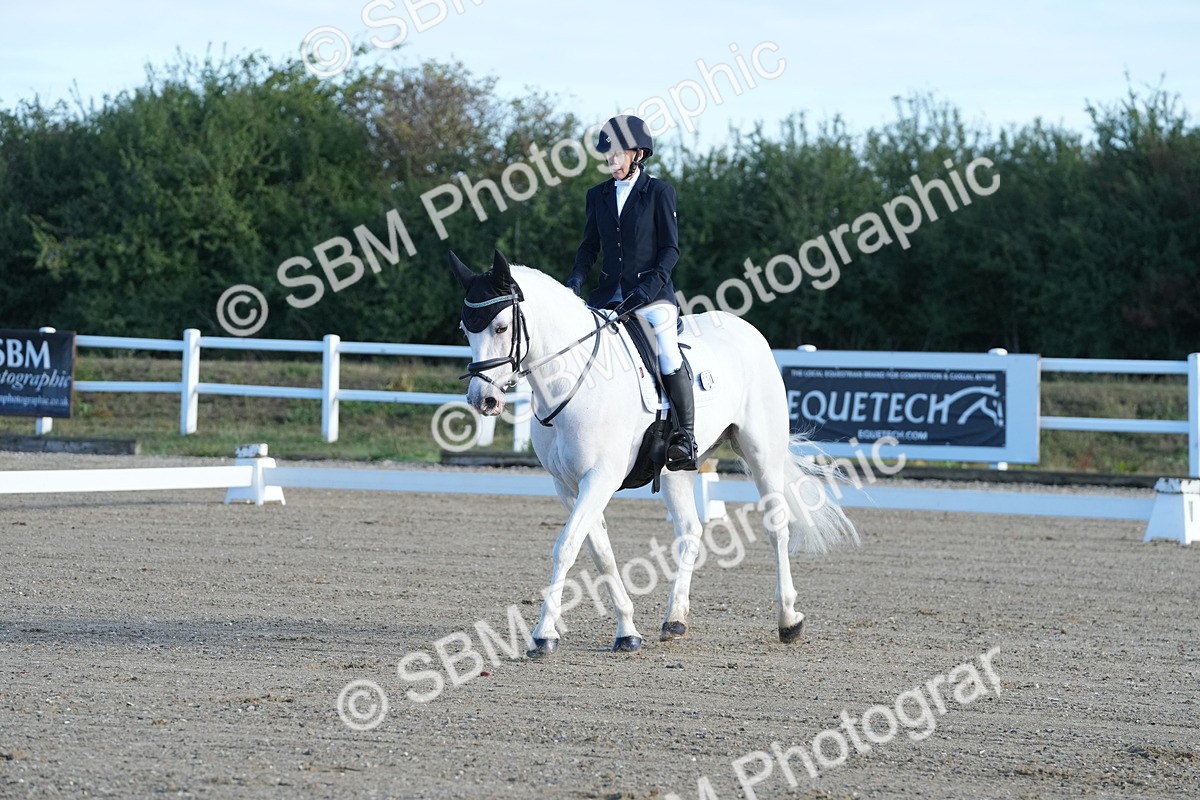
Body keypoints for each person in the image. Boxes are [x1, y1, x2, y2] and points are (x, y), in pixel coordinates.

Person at [566, 115, 697, 471]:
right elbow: (589, 246)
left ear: (637, 154)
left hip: (653, 296)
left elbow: (670, 250)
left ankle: (685, 437)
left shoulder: (659, 192)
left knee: (667, 352)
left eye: (617, 154)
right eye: (607, 155)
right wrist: (576, 278)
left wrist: (648, 288)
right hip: (608, 295)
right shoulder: (597, 195)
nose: (611, 161)